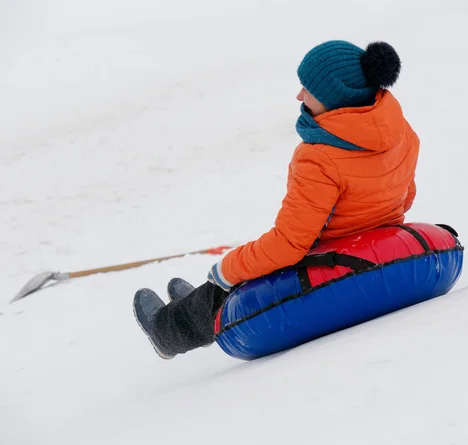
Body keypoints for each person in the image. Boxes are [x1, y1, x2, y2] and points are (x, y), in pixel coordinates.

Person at [134, 40, 420, 359]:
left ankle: (169, 331)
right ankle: (202, 301)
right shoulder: (401, 132)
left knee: (238, 273)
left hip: (328, 259)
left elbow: (288, 246)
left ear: (333, 97)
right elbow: (406, 198)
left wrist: (225, 268)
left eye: (307, 88)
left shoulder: (319, 158)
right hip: (373, 245)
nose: (299, 95)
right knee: (250, 266)